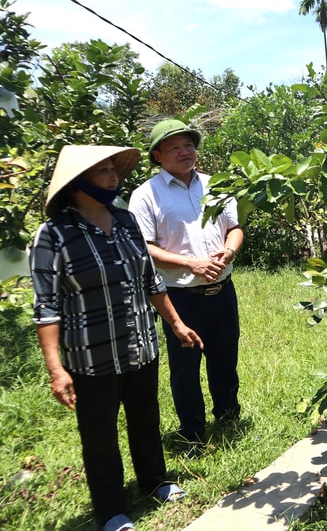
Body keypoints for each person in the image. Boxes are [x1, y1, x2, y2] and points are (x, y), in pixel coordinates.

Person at [31, 145, 204, 531]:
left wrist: (175, 324)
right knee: (100, 434)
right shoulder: (54, 235)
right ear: (78, 183)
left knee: (145, 418)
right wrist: (56, 368)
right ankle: (111, 510)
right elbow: (46, 307)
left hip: (139, 344)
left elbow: (151, 280)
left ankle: (155, 481)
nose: (114, 177)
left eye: (114, 170)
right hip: (92, 355)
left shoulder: (125, 222)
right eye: (103, 171)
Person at [129, 120, 244, 448]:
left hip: (222, 290)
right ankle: (192, 430)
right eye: (175, 147)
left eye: (189, 145)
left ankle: (228, 416)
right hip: (180, 296)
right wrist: (191, 263)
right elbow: (144, 247)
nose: (185, 152)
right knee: (185, 367)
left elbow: (234, 228)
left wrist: (230, 249)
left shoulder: (216, 185)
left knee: (225, 358)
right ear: (158, 155)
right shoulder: (146, 196)